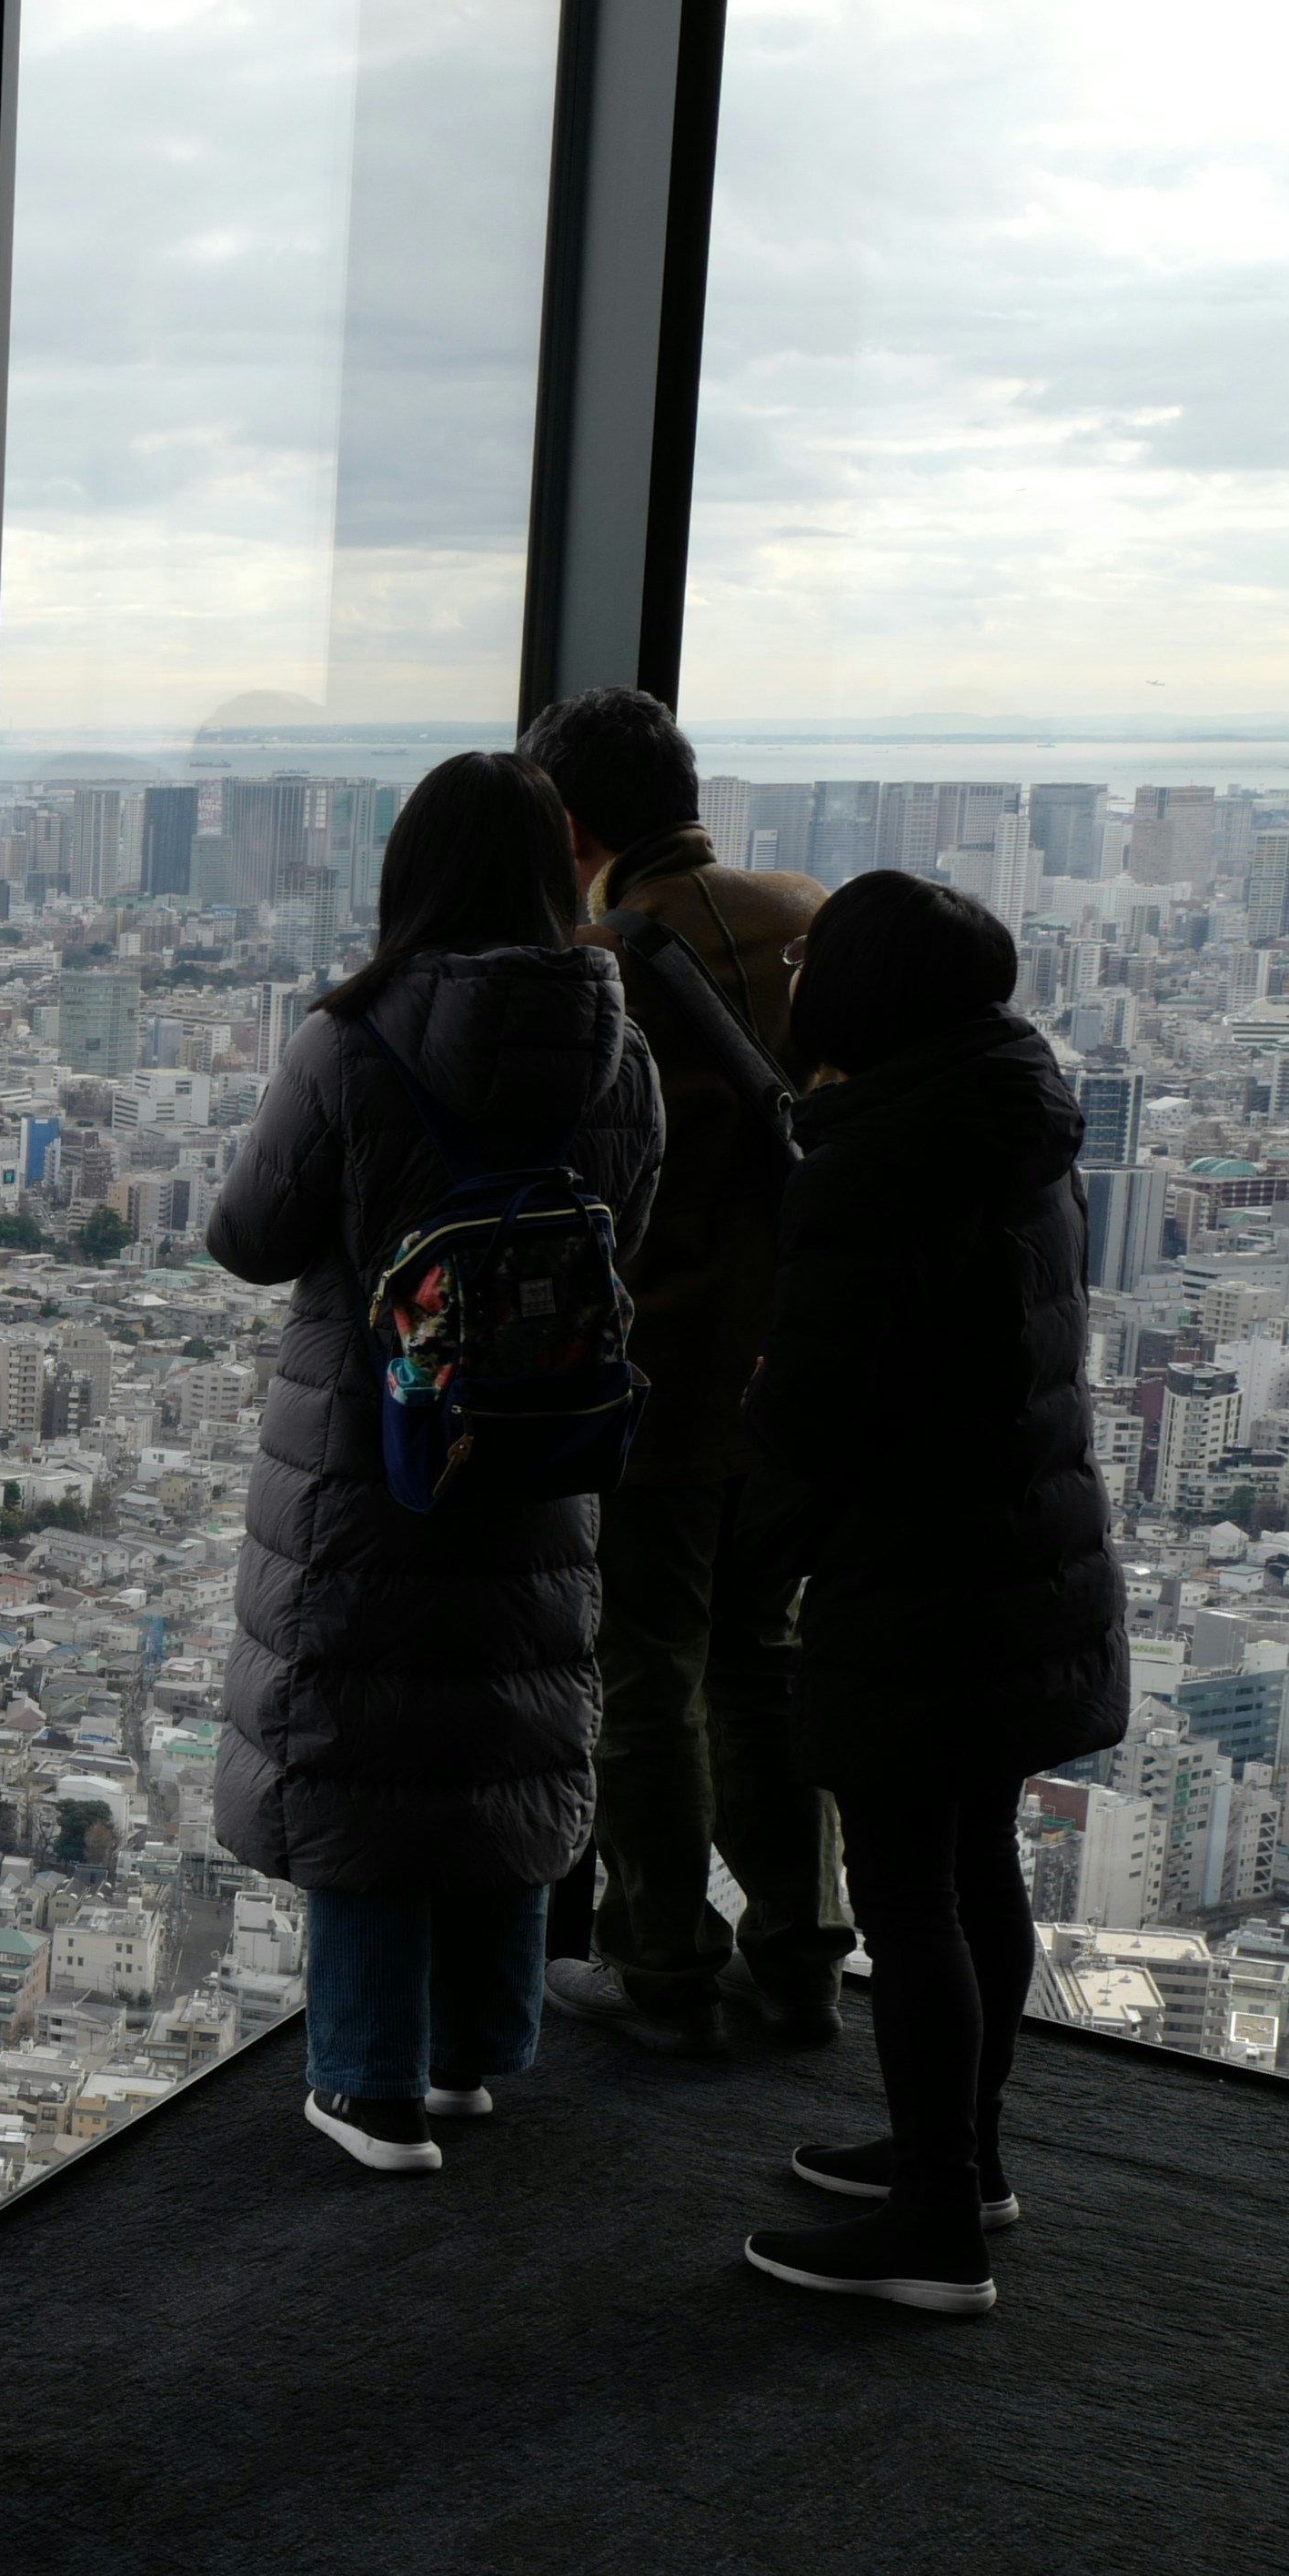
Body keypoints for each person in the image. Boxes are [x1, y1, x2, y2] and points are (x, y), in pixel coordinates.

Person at [208, 751, 664, 2173]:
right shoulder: (621, 1049)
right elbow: (623, 1243)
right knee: (498, 1727)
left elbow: (249, 1237)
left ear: (408, 873)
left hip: (373, 1447)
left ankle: (367, 2081)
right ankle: (475, 2055)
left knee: (368, 1747)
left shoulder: (350, 1043)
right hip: (542, 1445)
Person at [734, 871, 1124, 2314]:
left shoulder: (880, 1158)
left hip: (920, 1570)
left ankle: (935, 2223)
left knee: (909, 1891)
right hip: (1024, 1552)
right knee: (973, 1867)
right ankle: (960, 2153)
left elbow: (820, 1405)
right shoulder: (1017, 1127)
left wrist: (748, 1534)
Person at [520, 688, 845, 2056]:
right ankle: (800, 1951)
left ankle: (659, 1961)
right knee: (761, 1658)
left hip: (657, 1371)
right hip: (803, 1366)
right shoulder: (811, 919)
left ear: (572, 823)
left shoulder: (593, 970)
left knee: (645, 1670)